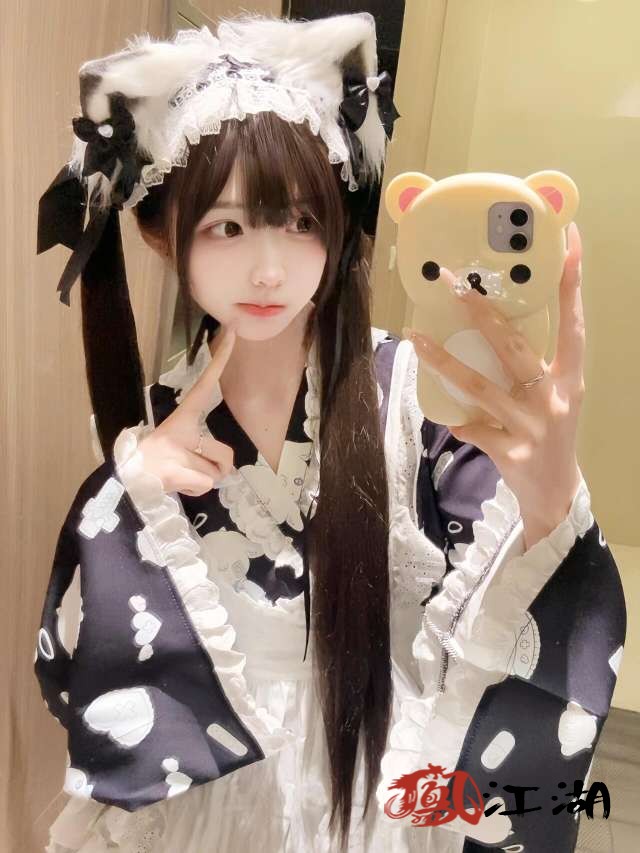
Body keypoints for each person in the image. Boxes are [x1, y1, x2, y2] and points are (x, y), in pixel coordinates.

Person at [34, 12, 626, 853]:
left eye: (300, 221)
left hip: (381, 796)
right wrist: (131, 493)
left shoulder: (413, 398)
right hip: (206, 820)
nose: (269, 267)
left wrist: (550, 504)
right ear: (162, 234)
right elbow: (93, 676)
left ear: (339, 225)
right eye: (228, 226)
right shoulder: (160, 426)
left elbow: (507, 650)